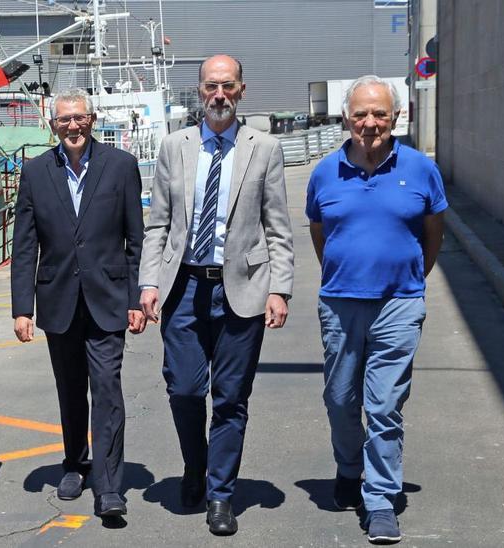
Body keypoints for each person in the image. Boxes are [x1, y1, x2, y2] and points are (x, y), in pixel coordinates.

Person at [138, 54, 294, 536]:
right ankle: (195, 465)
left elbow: (278, 228)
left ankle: (221, 494)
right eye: (211, 86)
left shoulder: (264, 148)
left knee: (230, 398)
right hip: (183, 286)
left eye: (227, 86)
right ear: (200, 91)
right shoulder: (174, 147)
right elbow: (158, 223)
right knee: (184, 388)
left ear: (242, 90)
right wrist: (148, 282)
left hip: (242, 290)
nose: (219, 95)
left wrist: (280, 289)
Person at [306, 76, 446, 545]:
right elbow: (320, 233)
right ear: (346, 118)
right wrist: (343, 274)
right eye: (361, 114)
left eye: (379, 114)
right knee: (341, 399)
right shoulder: (325, 171)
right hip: (341, 302)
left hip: (399, 303)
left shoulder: (421, 170)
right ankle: (349, 470)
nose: (369, 123)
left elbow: (433, 233)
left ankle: (381, 499)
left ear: (396, 118)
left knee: (384, 405)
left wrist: (408, 281)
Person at [11, 88, 146, 518]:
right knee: (70, 389)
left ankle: (108, 486)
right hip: (58, 300)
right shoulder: (35, 172)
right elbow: (25, 243)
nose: (72, 126)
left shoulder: (121, 166)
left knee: (107, 389)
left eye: (79, 118)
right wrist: (22, 308)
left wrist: (136, 298)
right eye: (63, 120)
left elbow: (136, 240)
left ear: (92, 119)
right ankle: (74, 462)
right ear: (53, 125)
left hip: (108, 300)